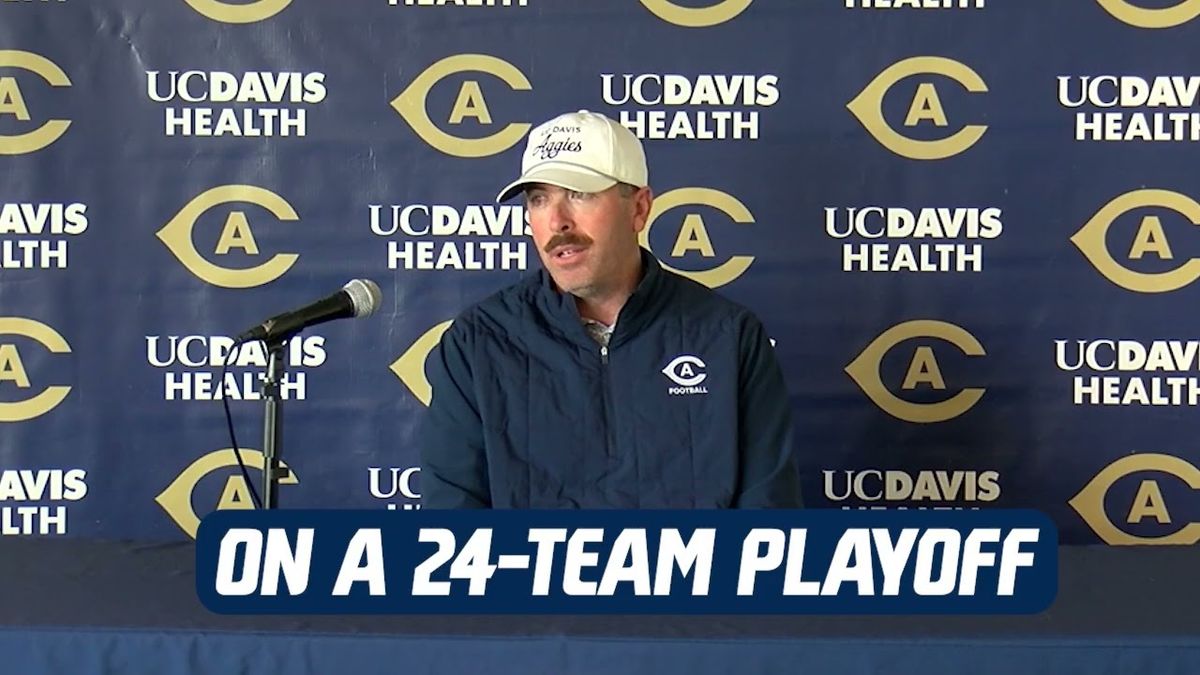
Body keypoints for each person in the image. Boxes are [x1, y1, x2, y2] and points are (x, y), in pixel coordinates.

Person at [418, 109, 801, 509]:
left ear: (639, 208)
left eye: (579, 194)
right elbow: (453, 520)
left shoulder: (729, 336)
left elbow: (769, 517)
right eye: (539, 199)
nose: (557, 221)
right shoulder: (477, 342)